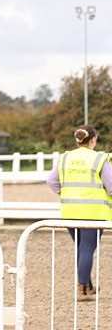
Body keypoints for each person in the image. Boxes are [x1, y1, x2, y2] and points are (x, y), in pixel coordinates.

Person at [47, 124, 112, 301]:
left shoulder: (65, 157)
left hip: (70, 210)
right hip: (93, 211)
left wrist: (63, 192)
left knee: (82, 248)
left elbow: (51, 180)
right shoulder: (99, 158)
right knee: (87, 248)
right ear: (93, 139)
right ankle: (82, 289)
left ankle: (88, 285)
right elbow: (111, 185)